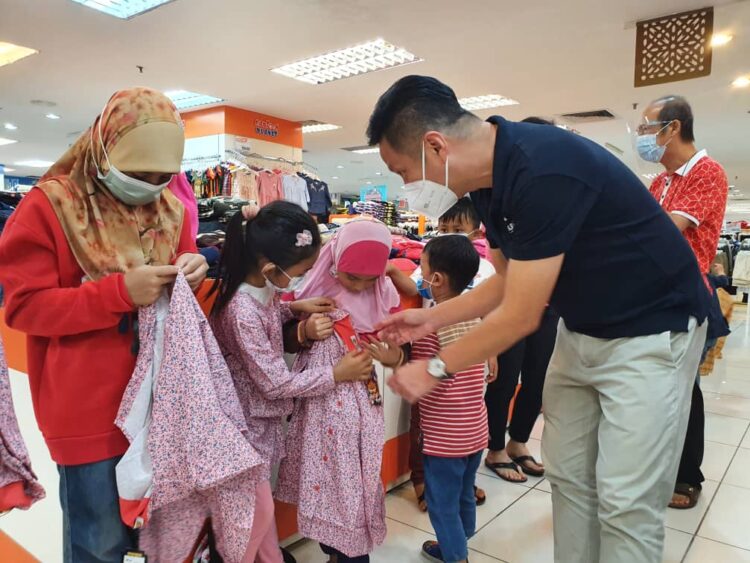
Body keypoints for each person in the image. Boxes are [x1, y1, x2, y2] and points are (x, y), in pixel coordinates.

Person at [369, 75, 710, 563]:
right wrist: (428, 319)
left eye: (402, 170)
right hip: (582, 328)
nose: (404, 186)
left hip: (654, 332)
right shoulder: (489, 183)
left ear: (435, 146)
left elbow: (521, 315)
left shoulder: (544, 167)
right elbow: (506, 281)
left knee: (626, 502)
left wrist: (435, 367)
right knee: (569, 478)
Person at [0, 88, 209, 562]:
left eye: (163, 177)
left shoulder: (168, 209)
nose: (151, 186)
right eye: (138, 174)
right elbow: (25, 308)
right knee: (97, 543)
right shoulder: (49, 208)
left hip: (163, 404)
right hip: (87, 411)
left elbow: (178, 265)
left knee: (157, 539)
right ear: (105, 149)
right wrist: (117, 293)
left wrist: (191, 265)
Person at [209, 201, 375, 562]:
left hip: (259, 423)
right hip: (242, 426)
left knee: (260, 511)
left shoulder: (260, 289)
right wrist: (336, 374)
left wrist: (293, 308)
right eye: (301, 272)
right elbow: (275, 383)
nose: (303, 279)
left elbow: (268, 313)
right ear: (271, 267)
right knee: (253, 515)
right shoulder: (240, 311)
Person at [276, 219, 403, 563]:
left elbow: (395, 349)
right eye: (351, 277)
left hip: (360, 414)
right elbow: (283, 336)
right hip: (318, 411)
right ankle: (335, 551)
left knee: (353, 491)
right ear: (333, 264)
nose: (361, 287)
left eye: (369, 279)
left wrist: (392, 356)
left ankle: (348, 551)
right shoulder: (311, 288)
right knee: (325, 486)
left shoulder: (379, 296)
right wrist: (304, 330)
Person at [639, 95, 729, 510]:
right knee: (654, 387)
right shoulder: (659, 181)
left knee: (683, 388)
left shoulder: (707, 172)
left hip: (685, 296)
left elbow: (666, 233)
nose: (643, 138)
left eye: (646, 128)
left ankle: (687, 474)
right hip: (652, 297)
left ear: (672, 128)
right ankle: (656, 466)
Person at [386, 198, 494, 511]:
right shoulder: (431, 263)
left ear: (475, 232)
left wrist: (491, 351)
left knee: (465, 414)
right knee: (424, 421)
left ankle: (462, 481)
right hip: (432, 353)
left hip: (468, 358)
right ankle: (422, 480)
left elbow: (489, 313)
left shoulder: (483, 268)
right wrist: (393, 269)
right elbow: (414, 287)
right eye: (444, 228)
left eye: (457, 229)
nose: (449, 234)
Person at [408, 235, 487, 563]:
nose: (419, 276)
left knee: (441, 503)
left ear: (436, 279)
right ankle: (458, 542)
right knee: (464, 495)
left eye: (421, 269)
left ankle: (456, 556)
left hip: (444, 439)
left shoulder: (431, 325)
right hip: (476, 431)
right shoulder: (474, 317)